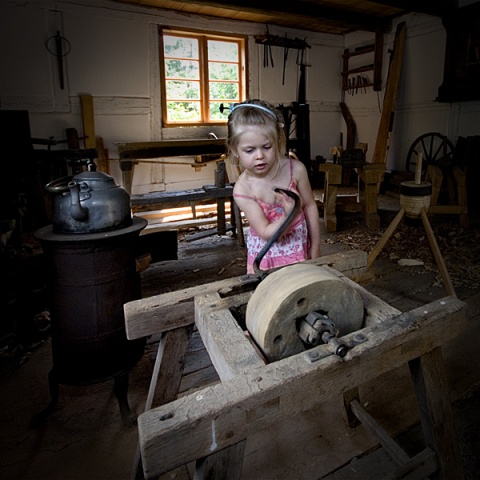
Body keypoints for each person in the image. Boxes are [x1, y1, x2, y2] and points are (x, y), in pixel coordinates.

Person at [227, 99, 321, 274]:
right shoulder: (243, 190)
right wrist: (288, 214)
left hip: (298, 250)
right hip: (267, 260)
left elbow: (310, 205)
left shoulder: (296, 170)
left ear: (277, 141)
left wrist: (315, 246)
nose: (260, 156)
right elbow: (265, 232)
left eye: (267, 147)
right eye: (250, 150)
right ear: (234, 150)